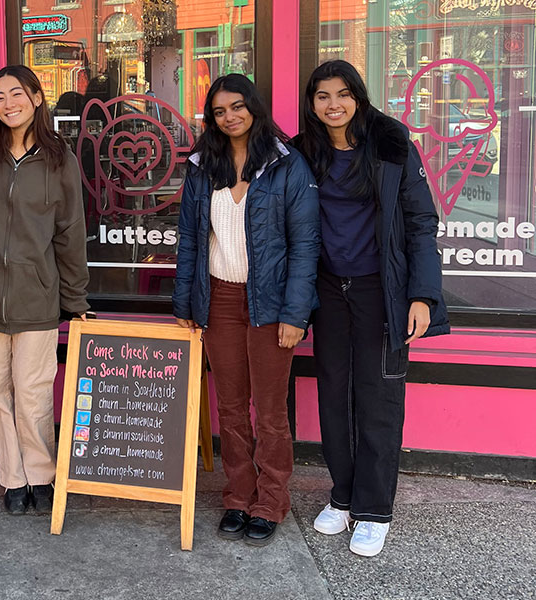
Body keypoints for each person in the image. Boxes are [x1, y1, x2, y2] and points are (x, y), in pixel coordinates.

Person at [293, 60, 449, 557]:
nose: (332, 104)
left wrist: (423, 295)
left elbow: (421, 222)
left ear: (358, 96)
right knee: (334, 394)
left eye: (342, 94)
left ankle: (375, 508)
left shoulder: (391, 142)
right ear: (311, 102)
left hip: (381, 290)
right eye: (322, 96)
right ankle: (342, 496)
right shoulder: (304, 152)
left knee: (378, 396)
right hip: (327, 291)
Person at [173, 74, 320, 546]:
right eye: (219, 111)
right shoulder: (202, 166)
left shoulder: (286, 164)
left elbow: (304, 246)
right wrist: (186, 303)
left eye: (237, 106)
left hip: (272, 303)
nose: (230, 116)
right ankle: (238, 495)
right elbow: (192, 241)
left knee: (270, 411)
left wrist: (296, 315)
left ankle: (272, 500)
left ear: (254, 107)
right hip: (219, 300)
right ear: (211, 119)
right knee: (231, 407)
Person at [0, 65, 89, 515]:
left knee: (34, 390)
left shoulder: (60, 158)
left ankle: (41, 472)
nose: (8, 103)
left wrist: (75, 299)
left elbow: (70, 233)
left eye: (17, 93)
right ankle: (13, 476)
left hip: (38, 296)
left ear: (38, 97)